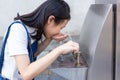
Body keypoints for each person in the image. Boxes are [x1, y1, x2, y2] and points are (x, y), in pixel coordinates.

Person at [1, 0, 80, 80]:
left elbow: (33, 53)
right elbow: (26, 73)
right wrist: (59, 50)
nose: (60, 32)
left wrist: (50, 38)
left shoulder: (32, 29)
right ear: (51, 20)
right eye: (61, 27)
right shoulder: (18, 30)